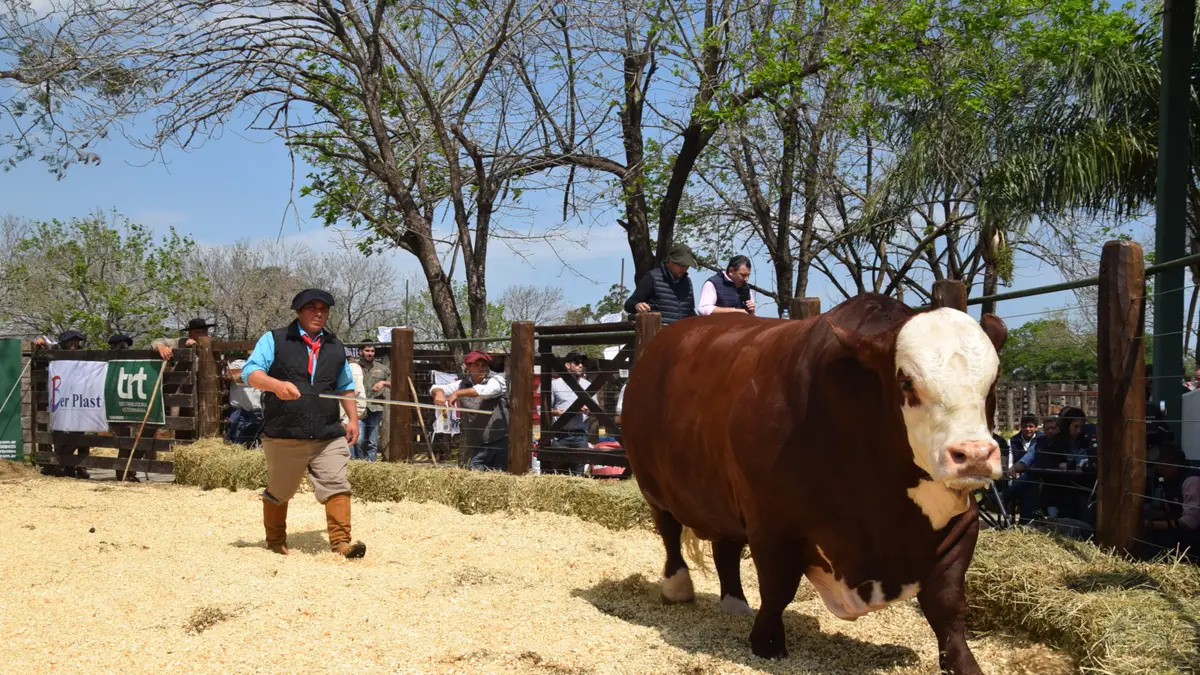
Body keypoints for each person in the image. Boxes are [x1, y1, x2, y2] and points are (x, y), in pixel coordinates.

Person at [242, 289, 366, 559]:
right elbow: (250, 373)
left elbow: (345, 386)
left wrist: (353, 419)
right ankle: (275, 542)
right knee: (280, 491)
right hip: (284, 433)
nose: (319, 313)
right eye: (312, 308)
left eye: (324, 309)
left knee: (337, 484)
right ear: (298, 311)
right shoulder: (275, 339)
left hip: (327, 432)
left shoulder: (335, 345)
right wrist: (276, 386)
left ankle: (342, 544)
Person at [430, 350, 509, 471]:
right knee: (478, 474)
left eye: (484, 365)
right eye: (477, 365)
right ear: (468, 367)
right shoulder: (462, 384)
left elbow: (487, 390)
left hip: (499, 440)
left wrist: (457, 393)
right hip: (477, 441)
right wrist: (439, 393)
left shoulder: (497, 380)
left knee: (493, 473)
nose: (481, 368)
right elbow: (436, 388)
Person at [33, 330, 91, 478]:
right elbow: (41, 349)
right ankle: (60, 465)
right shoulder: (54, 350)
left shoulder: (83, 354)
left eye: (76, 341)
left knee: (80, 432)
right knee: (59, 433)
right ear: (64, 342)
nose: (74, 344)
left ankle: (76, 466)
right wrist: (39, 343)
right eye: (71, 341)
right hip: (59, 397)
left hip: (78, 397)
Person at [1143, 443, 1200, 559]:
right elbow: (1173, 510)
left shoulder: (1191, 481)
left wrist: (1150, 525)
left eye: (1161, 465)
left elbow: (1189, 523)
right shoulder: (1170, 479)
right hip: (1181, 533)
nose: (1158, 469)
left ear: (1174, 463)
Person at [623, 243, 699, 325]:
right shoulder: (651, 278)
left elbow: (690, 311)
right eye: (681, 265)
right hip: (658, 331)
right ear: (671, 261)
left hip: (683, 331)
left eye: (687, 266)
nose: (684, 269)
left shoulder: (687, 282)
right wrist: (637, 305)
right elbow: (628, 304)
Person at [546, 351, 591, 475]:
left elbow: (596, 410)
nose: (581, 365)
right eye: (577, 362)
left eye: (582, 363)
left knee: (579, 474)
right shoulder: (554, 385)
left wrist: (589, 409)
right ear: (567, 365)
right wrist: (556, 412)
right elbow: (543, 410)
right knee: (559, 475)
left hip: (580, 436)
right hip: (560, 436)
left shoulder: (588, 385)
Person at [356, 340, 391, 461]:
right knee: (359, 439)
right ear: (360, 352)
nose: (370, 353)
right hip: (358, 407)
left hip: (375, 407)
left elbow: (396, 382)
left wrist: (383, 382)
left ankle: (371, 463)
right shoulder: (354, 367)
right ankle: (358, 463)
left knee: (372, 441)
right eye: (367, 350)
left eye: (372, 351)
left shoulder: (382, 368)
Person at [224, 359, 264, 447]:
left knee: (250, 441)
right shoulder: (237, 364)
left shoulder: (259, 365)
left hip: (255, 411)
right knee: (237, 443)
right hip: (240, 411)